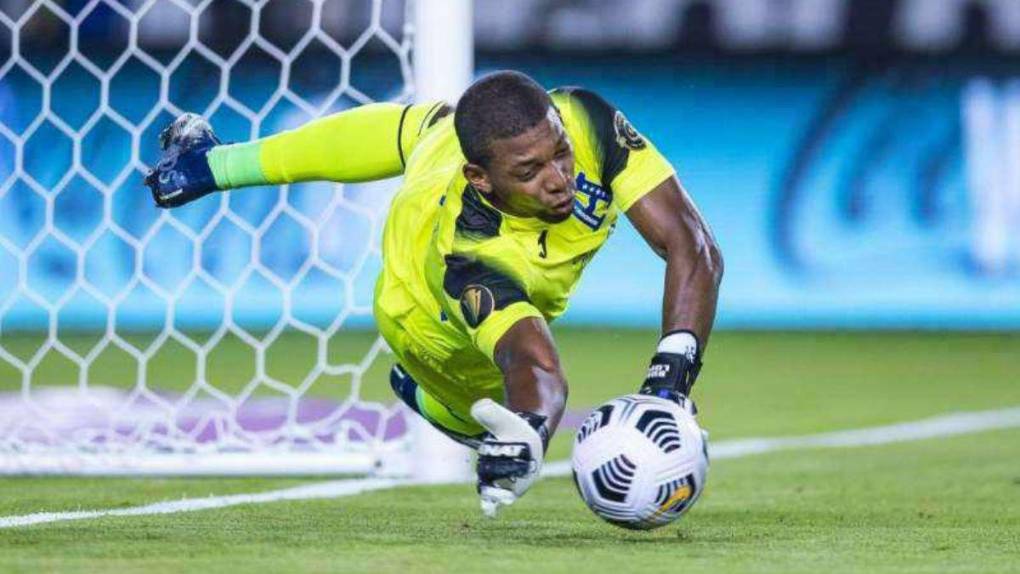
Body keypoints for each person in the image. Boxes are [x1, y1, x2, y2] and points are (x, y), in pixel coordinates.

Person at [144, 70, 723, 517]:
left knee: (427, 124)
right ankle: (431, 399)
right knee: (492, 415)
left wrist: (669, 382)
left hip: (437, 151)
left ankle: (213, 163)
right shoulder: (470, 258)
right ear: (482, 179)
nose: (558, 178)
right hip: (422, 318)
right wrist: (528, 431)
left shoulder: (584, 118)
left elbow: (692, 243)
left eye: (560, 152)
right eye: (530, 172)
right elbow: (534, 363)